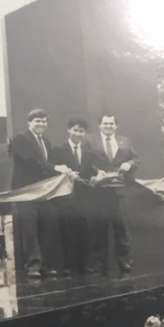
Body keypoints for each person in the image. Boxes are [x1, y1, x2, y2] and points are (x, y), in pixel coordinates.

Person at [10, 108, 69, 278]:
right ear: (29, 122)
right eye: (37, 121)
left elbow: (48, 166)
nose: (41, 124)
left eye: (44, 121)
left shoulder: (46, 142)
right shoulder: (20, 140)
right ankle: (32, 267)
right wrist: (56, 168)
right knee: (29, 230)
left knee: (46, 227)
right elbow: (31, 163)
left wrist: (65, 171)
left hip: (43, 192)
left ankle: (42, 265)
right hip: (26, 191)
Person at [83, 114, 137, 275]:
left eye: (111, 123)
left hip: (119, 191)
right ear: (99, 125)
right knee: (98, 230)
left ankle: (125, 263)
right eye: (105, 123)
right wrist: (96, 172)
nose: (108, 126)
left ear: (116, 125)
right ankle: (100, 265)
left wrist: (129, 163)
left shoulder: (125, 141)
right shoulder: (90, 141)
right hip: (99, 192)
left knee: (121, 230)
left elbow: (135, 158)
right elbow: (85, 160)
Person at [49, 117, 96, 275]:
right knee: (67, 233)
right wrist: (67, 175)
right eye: (75, 130)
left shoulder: (89, 151)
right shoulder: (58, 150)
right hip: (65, 198)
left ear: (85, 133)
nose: (78, 133)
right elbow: (52, 172)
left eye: (81, 131)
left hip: (85, 198)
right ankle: (69, 266)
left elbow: (90, 170)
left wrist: (96, 176)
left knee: (85, 232)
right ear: (69, 130)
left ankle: (85, 266)